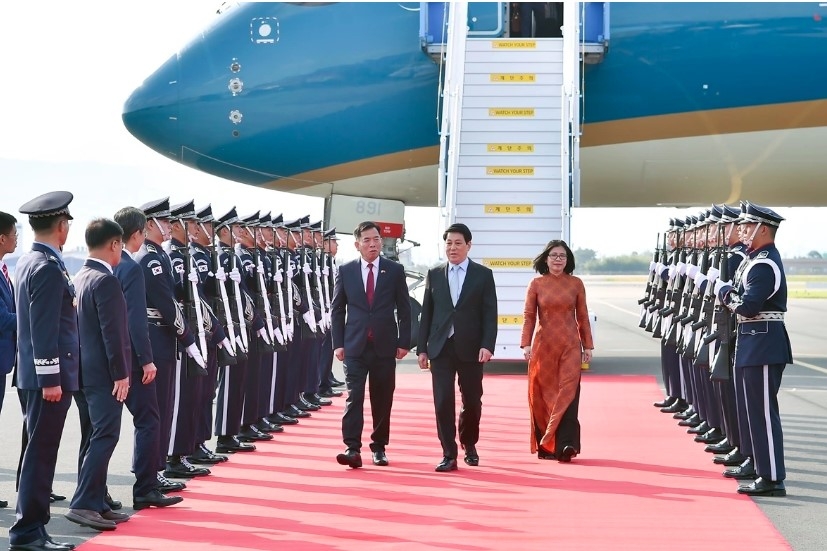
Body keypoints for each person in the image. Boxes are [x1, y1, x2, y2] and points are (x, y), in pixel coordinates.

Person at [10, 191, 78, 551]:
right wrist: (51, 377)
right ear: (62, 226)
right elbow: (43, 327)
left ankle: (33, 528)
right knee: (41, 453)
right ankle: (28, 532)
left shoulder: (30, 261)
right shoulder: (47, 267)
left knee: (37, 452)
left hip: (33, 376)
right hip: (45, 379)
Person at [715, 202, 792, 497]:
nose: (742, 230)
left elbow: (747, 307)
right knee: (750, 411)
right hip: (752, 341)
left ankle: (772, 476)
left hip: (763, 342)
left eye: (747, 226)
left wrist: (723, 292)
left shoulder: (764, 263)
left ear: (763, 229)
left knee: (761, 412)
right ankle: (756, 463)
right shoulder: (754, 259)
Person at [113, 206, 186, 507]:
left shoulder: (116, 264)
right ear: (137, 233)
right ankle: (145, 487)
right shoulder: (130, 266)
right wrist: (145, 359)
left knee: (106, 430)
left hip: (117, 357)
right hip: (135, 355)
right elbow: (136, 319)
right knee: (149, 419)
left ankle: (97, 495)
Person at [64, 219, 131, 531]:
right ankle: (85, 503)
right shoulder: (106, 280)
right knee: (106, 435)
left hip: (81, 371)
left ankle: (97, 502)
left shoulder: (80, 276)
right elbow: (113, 334)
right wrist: (121, 374)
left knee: (94, 435)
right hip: (103, 373)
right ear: (114, 244)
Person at [417, 223, 498, 472]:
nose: (452, 248)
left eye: (458, 243)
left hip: (471, 348)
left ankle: (469, 442)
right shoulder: (434, 273)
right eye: (449, 243)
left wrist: (487, 345)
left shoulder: (483, 275)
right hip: (440, 348)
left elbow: (489, 313)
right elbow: (427, 314)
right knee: (442, 401)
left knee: (472, 401)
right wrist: (422, 348)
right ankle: (448, 453)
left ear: (469, 245)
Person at [331, 221, 411, 468]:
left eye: (376, 238)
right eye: (367, 240)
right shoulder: (346, 271)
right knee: (354, 397)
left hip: (385, 346)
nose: (373, 243)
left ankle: (379, 447)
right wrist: (338, 343)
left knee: (382, 398)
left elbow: (405, 310)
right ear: (357, 245)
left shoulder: (394, 270)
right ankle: (352, 448)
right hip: (354, 346)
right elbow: (337, 309)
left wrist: (404, 342)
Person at [521, 239, 593, 462]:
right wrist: (526, 344)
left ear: (568, 260)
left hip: (570, 345)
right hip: (544, 347)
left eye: (562, 256)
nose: (558, 260)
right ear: (546, 259)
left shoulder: (576, 284)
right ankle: (547, 446)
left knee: (568, 392)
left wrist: (587, 345)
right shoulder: (536, 284)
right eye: (554, 256)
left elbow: (582, 316)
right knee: (544, 395)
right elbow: (529, 317)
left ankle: (567, 444)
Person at [0, 212, 18, 510]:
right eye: (14, 233)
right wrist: (34, 316)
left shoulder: (4, 269)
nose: (17, 238)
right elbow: (2, 318)